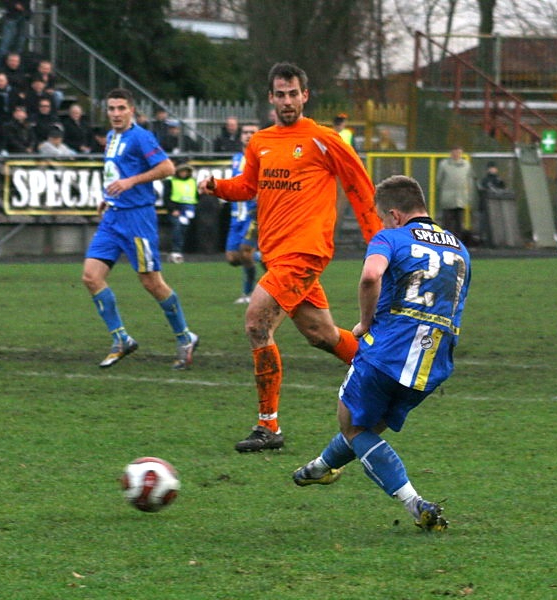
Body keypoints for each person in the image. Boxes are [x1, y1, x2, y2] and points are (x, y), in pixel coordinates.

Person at [198, 62, 381, 452]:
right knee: (322, 335)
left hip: (305, 253)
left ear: (305, 95)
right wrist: (217, 187)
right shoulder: (261, 141)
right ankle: (387, 371)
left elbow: (360, 188)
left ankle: (269, 427)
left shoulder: (323, 139)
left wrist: (380, 244)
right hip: (276, 255)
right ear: (270, 98)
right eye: (279, 94)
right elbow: (248, 186)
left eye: (293, 93)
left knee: (255, 322)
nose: (286, 101)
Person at [292, 174, 470, 531]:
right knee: (368, 427)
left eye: (382, 218)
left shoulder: (390, 237)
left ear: (394, 214)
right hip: (433, 362)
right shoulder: (458, 247)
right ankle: (319, 469)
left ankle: (415, 503)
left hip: (388, 350)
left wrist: (363, 323)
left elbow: (371, 276)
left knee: (353, 426)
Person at [82, 88, 199, 370]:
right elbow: (116, 174)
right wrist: (107, 197)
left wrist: (131, 182)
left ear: (131, 110)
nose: (116, 114)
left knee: (151, 282)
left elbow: (168, 167)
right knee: (90, 276)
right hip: (113, 217)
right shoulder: (111, 137)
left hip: (137, 220)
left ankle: (185, 337)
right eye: (111, 109)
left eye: (121, 108)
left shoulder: (142, 137)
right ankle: (121, 339)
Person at [224, 122, 259, 304]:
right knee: (232, 258)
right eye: (245, 132)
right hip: (236, 216)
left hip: (252, 214)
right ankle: (265, 258)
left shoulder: (262, 157)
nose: (248, 135)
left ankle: (248, 292)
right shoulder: (237, 158)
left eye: (252, 132)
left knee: (245, 252)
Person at [436, 145, 473, 240]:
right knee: (447, 222)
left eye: (459, 152)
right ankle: (446, 241)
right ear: (451, 153)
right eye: (455, 152)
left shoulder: (466, 165)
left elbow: (469, 180)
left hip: (461, 198)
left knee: (459, 222)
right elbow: (439, 180)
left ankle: (458, 242)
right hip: (448, 198)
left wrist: (468, 195)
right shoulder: (444, 164)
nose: (457, 154)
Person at [163, 161, 198, 263]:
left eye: (185, 171)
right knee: (178, 227)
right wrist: (172, 209)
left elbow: (195, 196)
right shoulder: (170, 181)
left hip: (189, 208)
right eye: (182, 171)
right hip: (176, 209)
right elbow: (167, 197)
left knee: (185, 229)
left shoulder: (192, 181)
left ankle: (183, 250)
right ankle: (176, 251)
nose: (184, 173)